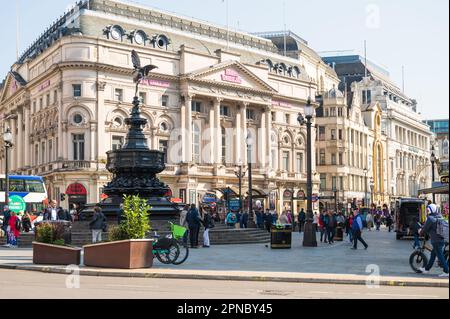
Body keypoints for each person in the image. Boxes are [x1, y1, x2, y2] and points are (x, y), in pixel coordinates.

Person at [419, 204, 449, 277]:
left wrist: (420, 232)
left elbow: (425, 228)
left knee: (440, 256)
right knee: (433, 255)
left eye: (428, 210)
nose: (427, 211)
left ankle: (446, 271)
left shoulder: (430, 218)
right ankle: (426, 269)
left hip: (436, 241)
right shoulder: (440, 217)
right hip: (442, 239)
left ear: (431, 210)